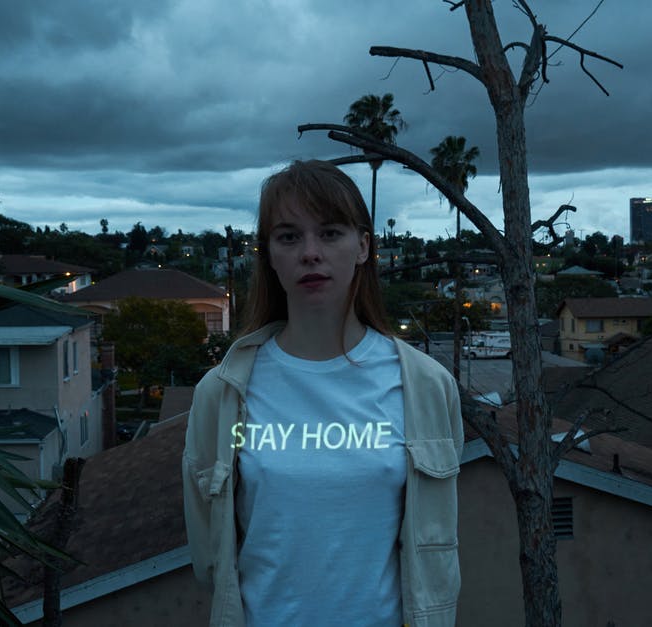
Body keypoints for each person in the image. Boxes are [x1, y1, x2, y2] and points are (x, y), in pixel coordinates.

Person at [182, 160, 463, 626]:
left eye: (330, 233)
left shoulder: (426, 388)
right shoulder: (223, 394)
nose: (310, 253)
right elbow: (210, 558)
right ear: (269, 255)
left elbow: (435, 547)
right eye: (289, 236)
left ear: (363, 247)